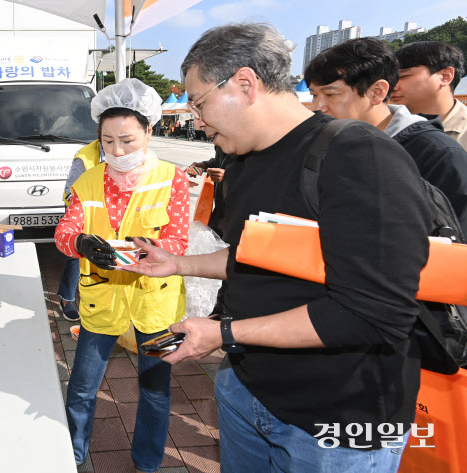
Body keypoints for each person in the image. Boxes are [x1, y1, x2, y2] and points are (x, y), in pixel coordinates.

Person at [126, 23, 433, 473]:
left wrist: (225, 333)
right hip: (245, 390)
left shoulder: (359, 156)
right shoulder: (243, 160)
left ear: (245, 84)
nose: (195, 118)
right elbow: (255, 256)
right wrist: (177, 262)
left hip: (340, 420)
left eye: (198, 101)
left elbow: (374, 312)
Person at [55, 78, 190, 473]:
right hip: (101, 302)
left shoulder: (173, 178)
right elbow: (65, 232)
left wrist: (152, 249)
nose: (117, 151)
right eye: (107, 141)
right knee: (81, 388)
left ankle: (147, 463)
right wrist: (81, 243)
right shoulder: (87, 181)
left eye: (128, 140)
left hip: (158, 304)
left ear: (150, 130)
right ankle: (73, 456)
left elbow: (178, 240)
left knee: (156, 390)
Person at [305, 37, 467, 231]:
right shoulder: (322, 144)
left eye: (331, 94)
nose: (318, 108)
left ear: (377, 92)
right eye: (314, 95)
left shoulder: (438, 154)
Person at [57, 135, 105, 322]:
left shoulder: (128, 153)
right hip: (82, 209)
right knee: (76, 255)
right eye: (108, 140)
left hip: (110, 212)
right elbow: (70, 190)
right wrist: (87, 208)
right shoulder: (84, 158)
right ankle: (67, 299)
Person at [392, 41, 467, 149]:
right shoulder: (383, 128)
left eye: (403, 76)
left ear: (445, 76)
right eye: (390, 79)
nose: (392, 86)